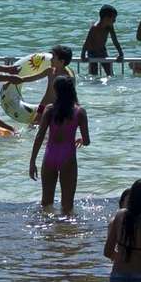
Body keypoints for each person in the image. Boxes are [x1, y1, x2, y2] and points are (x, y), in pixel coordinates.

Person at [29, 75, 88, 213]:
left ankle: (47, 232)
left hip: (50, 156)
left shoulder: (49, 109)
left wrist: (32, 161)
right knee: (67, 206)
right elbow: (87, 140)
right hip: (68, 157)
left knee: (46, 203)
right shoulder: (79, 112)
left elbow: (39, 136)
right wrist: (81, 140)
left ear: (56, 91)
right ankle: (66, 232)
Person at [81, 5, 124, 74]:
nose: (114, 21)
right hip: (92, 53)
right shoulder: (95, 28)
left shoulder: (109, 26)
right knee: (93, 73)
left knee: (110, 72)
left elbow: (115, 40)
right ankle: (94, 84)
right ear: (106, 18)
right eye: (113, 19)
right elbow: (87, 42)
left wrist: (120, 53)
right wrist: (83, 55)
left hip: (102, 51)